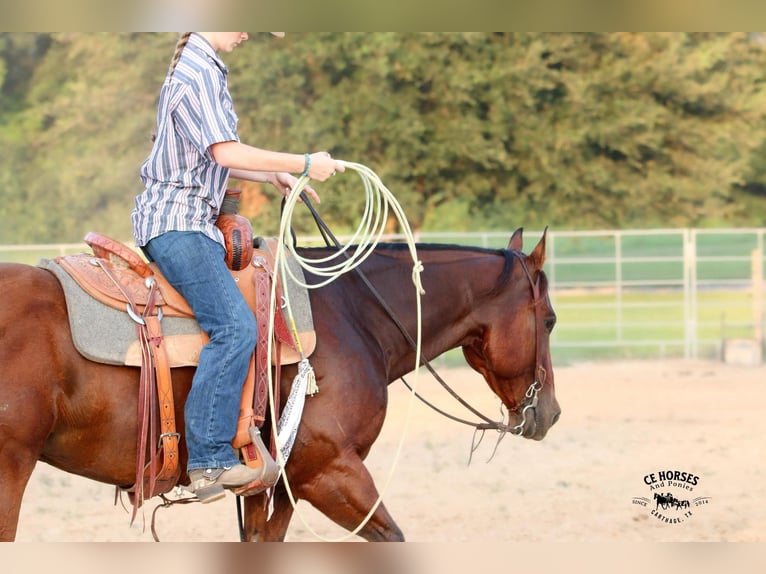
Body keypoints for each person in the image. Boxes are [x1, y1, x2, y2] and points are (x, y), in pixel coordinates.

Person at [131, 32, 344, 503]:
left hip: (187, 220)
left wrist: (274, 174)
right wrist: (306, 161)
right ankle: (208, 458)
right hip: (179, 223)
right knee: (234, 328)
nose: (247, 32)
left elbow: (212, 156)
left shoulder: (200, 65)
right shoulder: (197, 71)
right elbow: (226, 153)